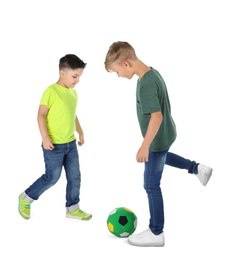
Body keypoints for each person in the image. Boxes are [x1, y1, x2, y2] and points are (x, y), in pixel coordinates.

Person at [104, 41, 212, 247]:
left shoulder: (145, 84)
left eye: (117, 71)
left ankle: (156, 232)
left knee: (151, 185)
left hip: (156, 140)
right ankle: (198, 168)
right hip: (166, 135)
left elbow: (156, 116)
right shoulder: (151, 73)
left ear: (126, 64)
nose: (118, 76)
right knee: (162, 158)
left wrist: (145, 146)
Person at [18, 54, 92, 221]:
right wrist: (45, 138)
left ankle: (73, 208)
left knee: (75, 177)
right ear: (62, 73)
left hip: (70, 144)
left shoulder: (73, 94)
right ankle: (26, 197)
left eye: (79, 76)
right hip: (53, 146)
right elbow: (41, 115)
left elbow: (72, 116)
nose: (77, 80)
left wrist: (80, 132)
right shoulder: (50, 91)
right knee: (52, 177)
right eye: (75, 76)